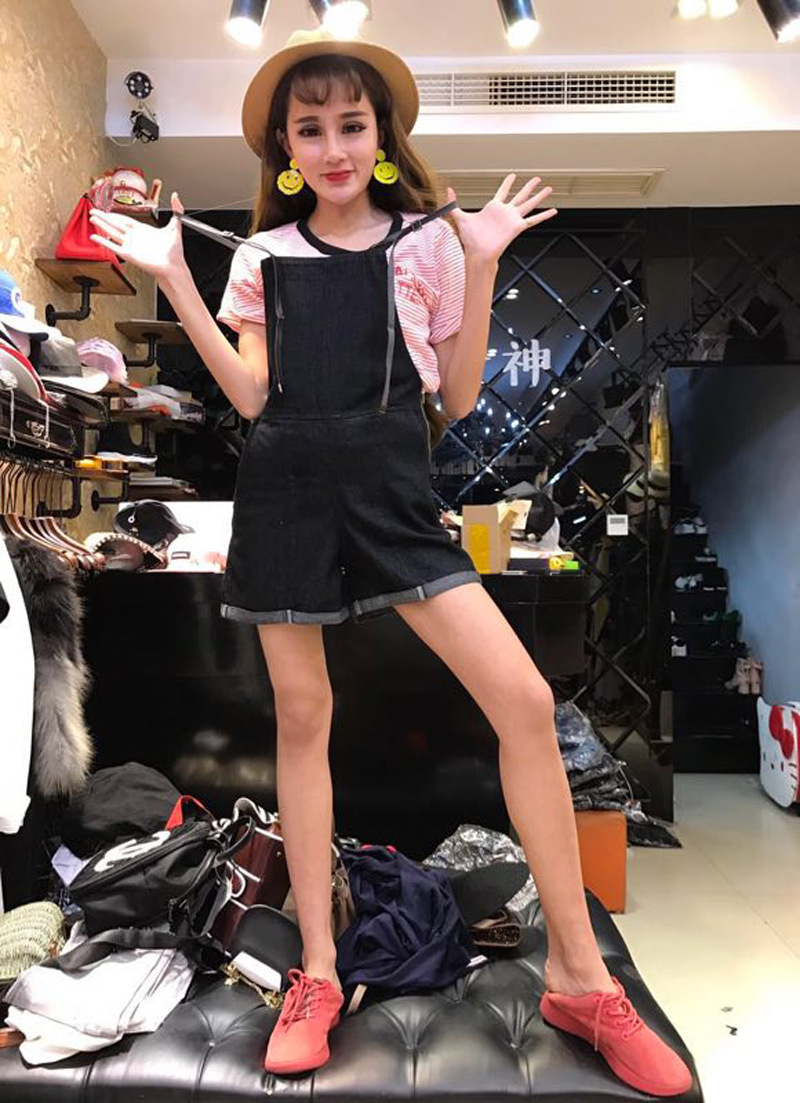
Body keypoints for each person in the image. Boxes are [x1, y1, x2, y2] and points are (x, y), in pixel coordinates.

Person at [88, 26, 692, 1097]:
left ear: (380, 138)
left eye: (350, 125)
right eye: (309, 128)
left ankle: (578, 975)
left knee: (523, 700)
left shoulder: (428, 242)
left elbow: (453, 395)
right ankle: (318, 973)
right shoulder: (262, 258)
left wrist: (481, 259)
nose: (331, 146)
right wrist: (177, 276)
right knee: (304, 720)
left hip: (395, 497)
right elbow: (250, 396)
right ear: (284, 149)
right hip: (285, 494)